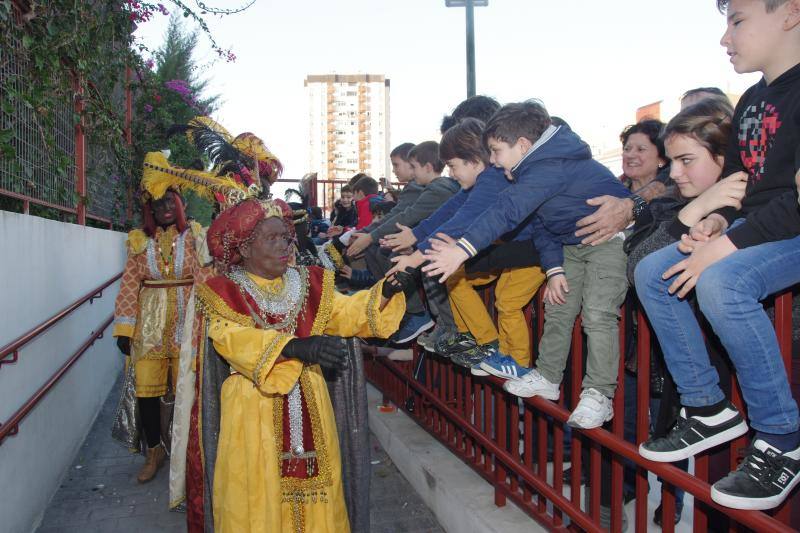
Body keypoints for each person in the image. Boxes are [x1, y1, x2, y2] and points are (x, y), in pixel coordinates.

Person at [634, 0, 800, 510]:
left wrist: (726, 247)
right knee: (653, 271)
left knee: (720, 282)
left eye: (737, 21)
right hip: (758, 227)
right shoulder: (752, 98)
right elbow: (746, 190)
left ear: (790, 12)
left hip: (791, 229)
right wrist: (716, 223)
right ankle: (707, 407)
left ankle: (782, 438)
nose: (725, 39)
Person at [183, 198, 413, 532]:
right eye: (271, 239)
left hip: (311, 400)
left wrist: (386, 293)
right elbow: (230, 339)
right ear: (245, 248)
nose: (284, 246)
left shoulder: (310, 283)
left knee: (320, 493)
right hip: (252, 409)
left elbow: (348, 315)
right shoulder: (223, 292)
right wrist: (294, 346)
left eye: (286, 238)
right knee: (257, 493)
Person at [423, 101, 630, 429]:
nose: (492, 160)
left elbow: (506, 211)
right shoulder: (532, 171)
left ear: (522, 145)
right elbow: (546, 228)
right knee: (559, 309)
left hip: (606, 242)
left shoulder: (547, 168)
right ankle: (548, 376)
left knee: (597, 313)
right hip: (572, 247)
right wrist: (554, 269)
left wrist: (461, 250)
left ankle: (599, 393)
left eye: (495, 151)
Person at [384, 118, 545, 375]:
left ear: (473, 160)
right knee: (459, 277)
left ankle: (507, 355)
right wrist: (416, 235)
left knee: (506, 302)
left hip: (530, 250)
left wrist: (415, 257)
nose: (450, 173)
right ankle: (482, 341)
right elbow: (449, 211)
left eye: (452, 166)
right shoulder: (481, 179)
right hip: (508, 248)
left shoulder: (492, 179)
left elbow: (462, 219)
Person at [112, 183, 211, 484]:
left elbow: (206, 278)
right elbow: (130, 283)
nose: (165, 207)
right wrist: (124, 329)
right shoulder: (139, 241)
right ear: (150, 210)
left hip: (188, 323)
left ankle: (192, 454)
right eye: (157, 204)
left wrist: (209, 322)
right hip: (148, 327)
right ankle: (153, 452)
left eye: (170, 201)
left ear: (179, 203)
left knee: (189, 390)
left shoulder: (195, 236)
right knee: (147, 392)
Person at [349, 141, 460, 343]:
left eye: (413, 166)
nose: (411, 172)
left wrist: (412, 243)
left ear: (426, 167)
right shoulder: (434, 187)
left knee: (411, 263)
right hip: (437, 244)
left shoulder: (437, 188)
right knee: (391, 253)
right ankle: (433, 322)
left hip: (446, 249)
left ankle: (427, 318)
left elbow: (410, 215)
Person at [620, 119, 670, 200]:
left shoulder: (674, 195)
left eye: (641, 149)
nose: (630, 155)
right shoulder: (612, 190)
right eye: (627, 149)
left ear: (661, 159)